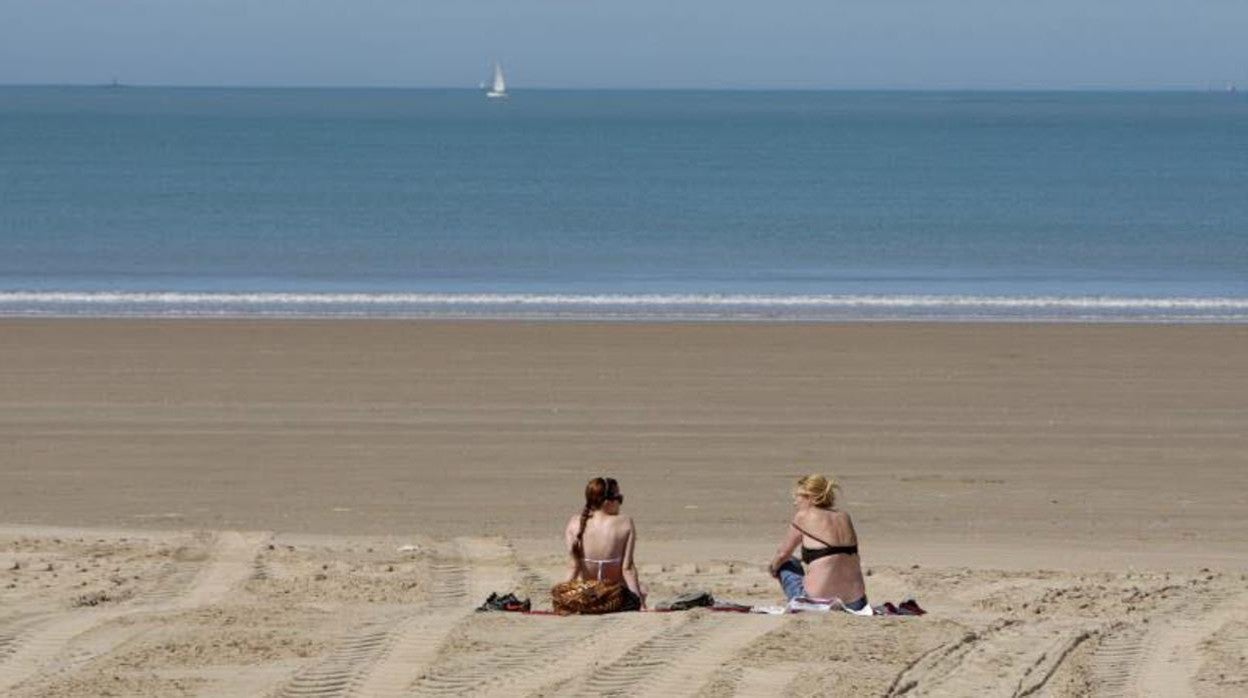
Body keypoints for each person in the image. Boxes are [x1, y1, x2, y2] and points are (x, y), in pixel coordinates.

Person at [767, 474, 869, 613]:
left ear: (810, 497)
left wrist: (773, 569)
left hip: (817, 602)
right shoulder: (844, 516)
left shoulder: (804, 516)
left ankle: (798, 600)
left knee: (788, 562)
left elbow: (783, 553)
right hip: (857, 603)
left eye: (798, 497)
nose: (795, 502)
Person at [556, 476, 646, 612]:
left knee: (579, 589)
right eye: (619, 498)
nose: (620, 503)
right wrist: (640, 603)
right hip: (613, 598)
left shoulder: (574, 523)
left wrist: (562, 598)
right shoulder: (625, 522)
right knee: (643, 589)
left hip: (587, 597)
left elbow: (573, 567)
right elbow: (627, 569)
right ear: (606, 502)